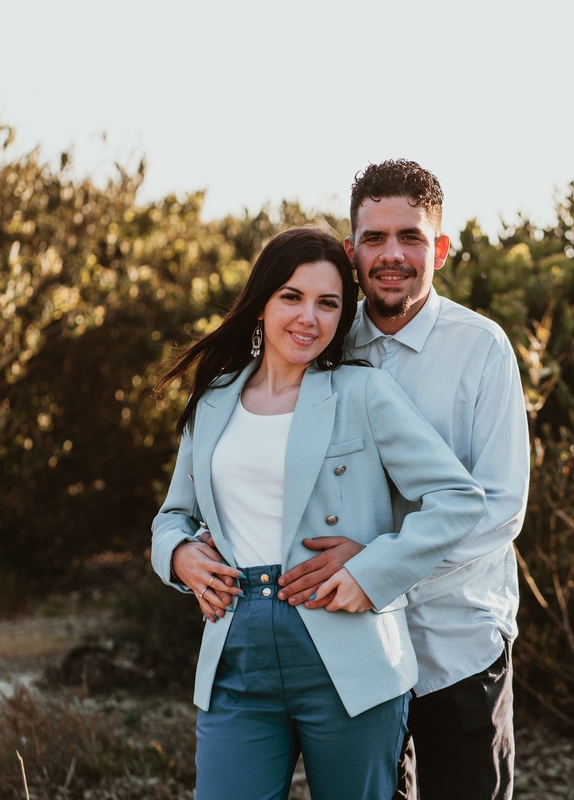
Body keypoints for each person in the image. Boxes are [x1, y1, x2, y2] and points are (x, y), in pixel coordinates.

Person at [150, 226, 486, 800]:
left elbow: (458, 499)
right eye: (292, 296)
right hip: (235, 656)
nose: (309, 317)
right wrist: (179, 556)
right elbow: (172, 516)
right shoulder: (213, 400)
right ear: (262, 301)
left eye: (328, 303)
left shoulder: (363, 393)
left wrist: (371, 571)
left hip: (350, 655)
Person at [274, 161, 531, 800]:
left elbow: (501, 506)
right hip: (352, 648)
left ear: (438, 250)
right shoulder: (323, 346)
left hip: (457, 643)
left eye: (410, 237)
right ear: (351, 252)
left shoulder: (482, 349)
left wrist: (378, 566)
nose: (392, 255)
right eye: (375, 238)